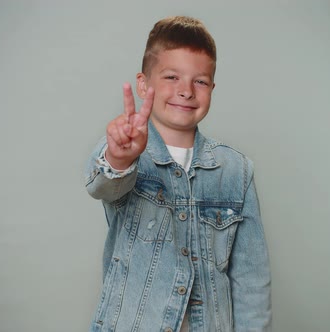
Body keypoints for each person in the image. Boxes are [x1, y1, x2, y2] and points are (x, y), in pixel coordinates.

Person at [84, 16, 272, 332]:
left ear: (212, 87)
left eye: (199, 81)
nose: (186, 91)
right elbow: (103, 185)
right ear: (144, 84)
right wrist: (119, 157)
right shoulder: (125, 150)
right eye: (172, 76)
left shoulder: (236, 171)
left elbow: (251, 278)